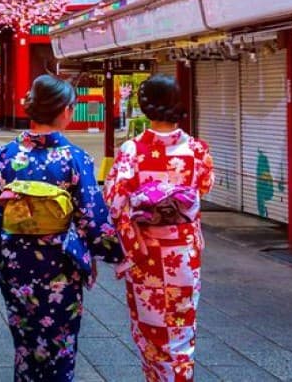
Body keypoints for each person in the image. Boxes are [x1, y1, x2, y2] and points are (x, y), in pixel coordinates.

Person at [0, 74, 122, 381]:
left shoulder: (7, 155)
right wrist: (114, 252)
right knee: (60, 342)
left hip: (15, 260)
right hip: (59, 264)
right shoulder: (75, 158)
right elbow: (91, 215)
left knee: (26, 340)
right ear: (66, 110)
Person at [104, 74, 214, 382]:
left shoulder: (132, 150)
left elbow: (115, 201)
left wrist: (129, 237)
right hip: (183, 252)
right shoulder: (196, 150)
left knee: (151, 330)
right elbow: (203, 187)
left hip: (146, 252)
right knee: (181, 330)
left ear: (144, 106)